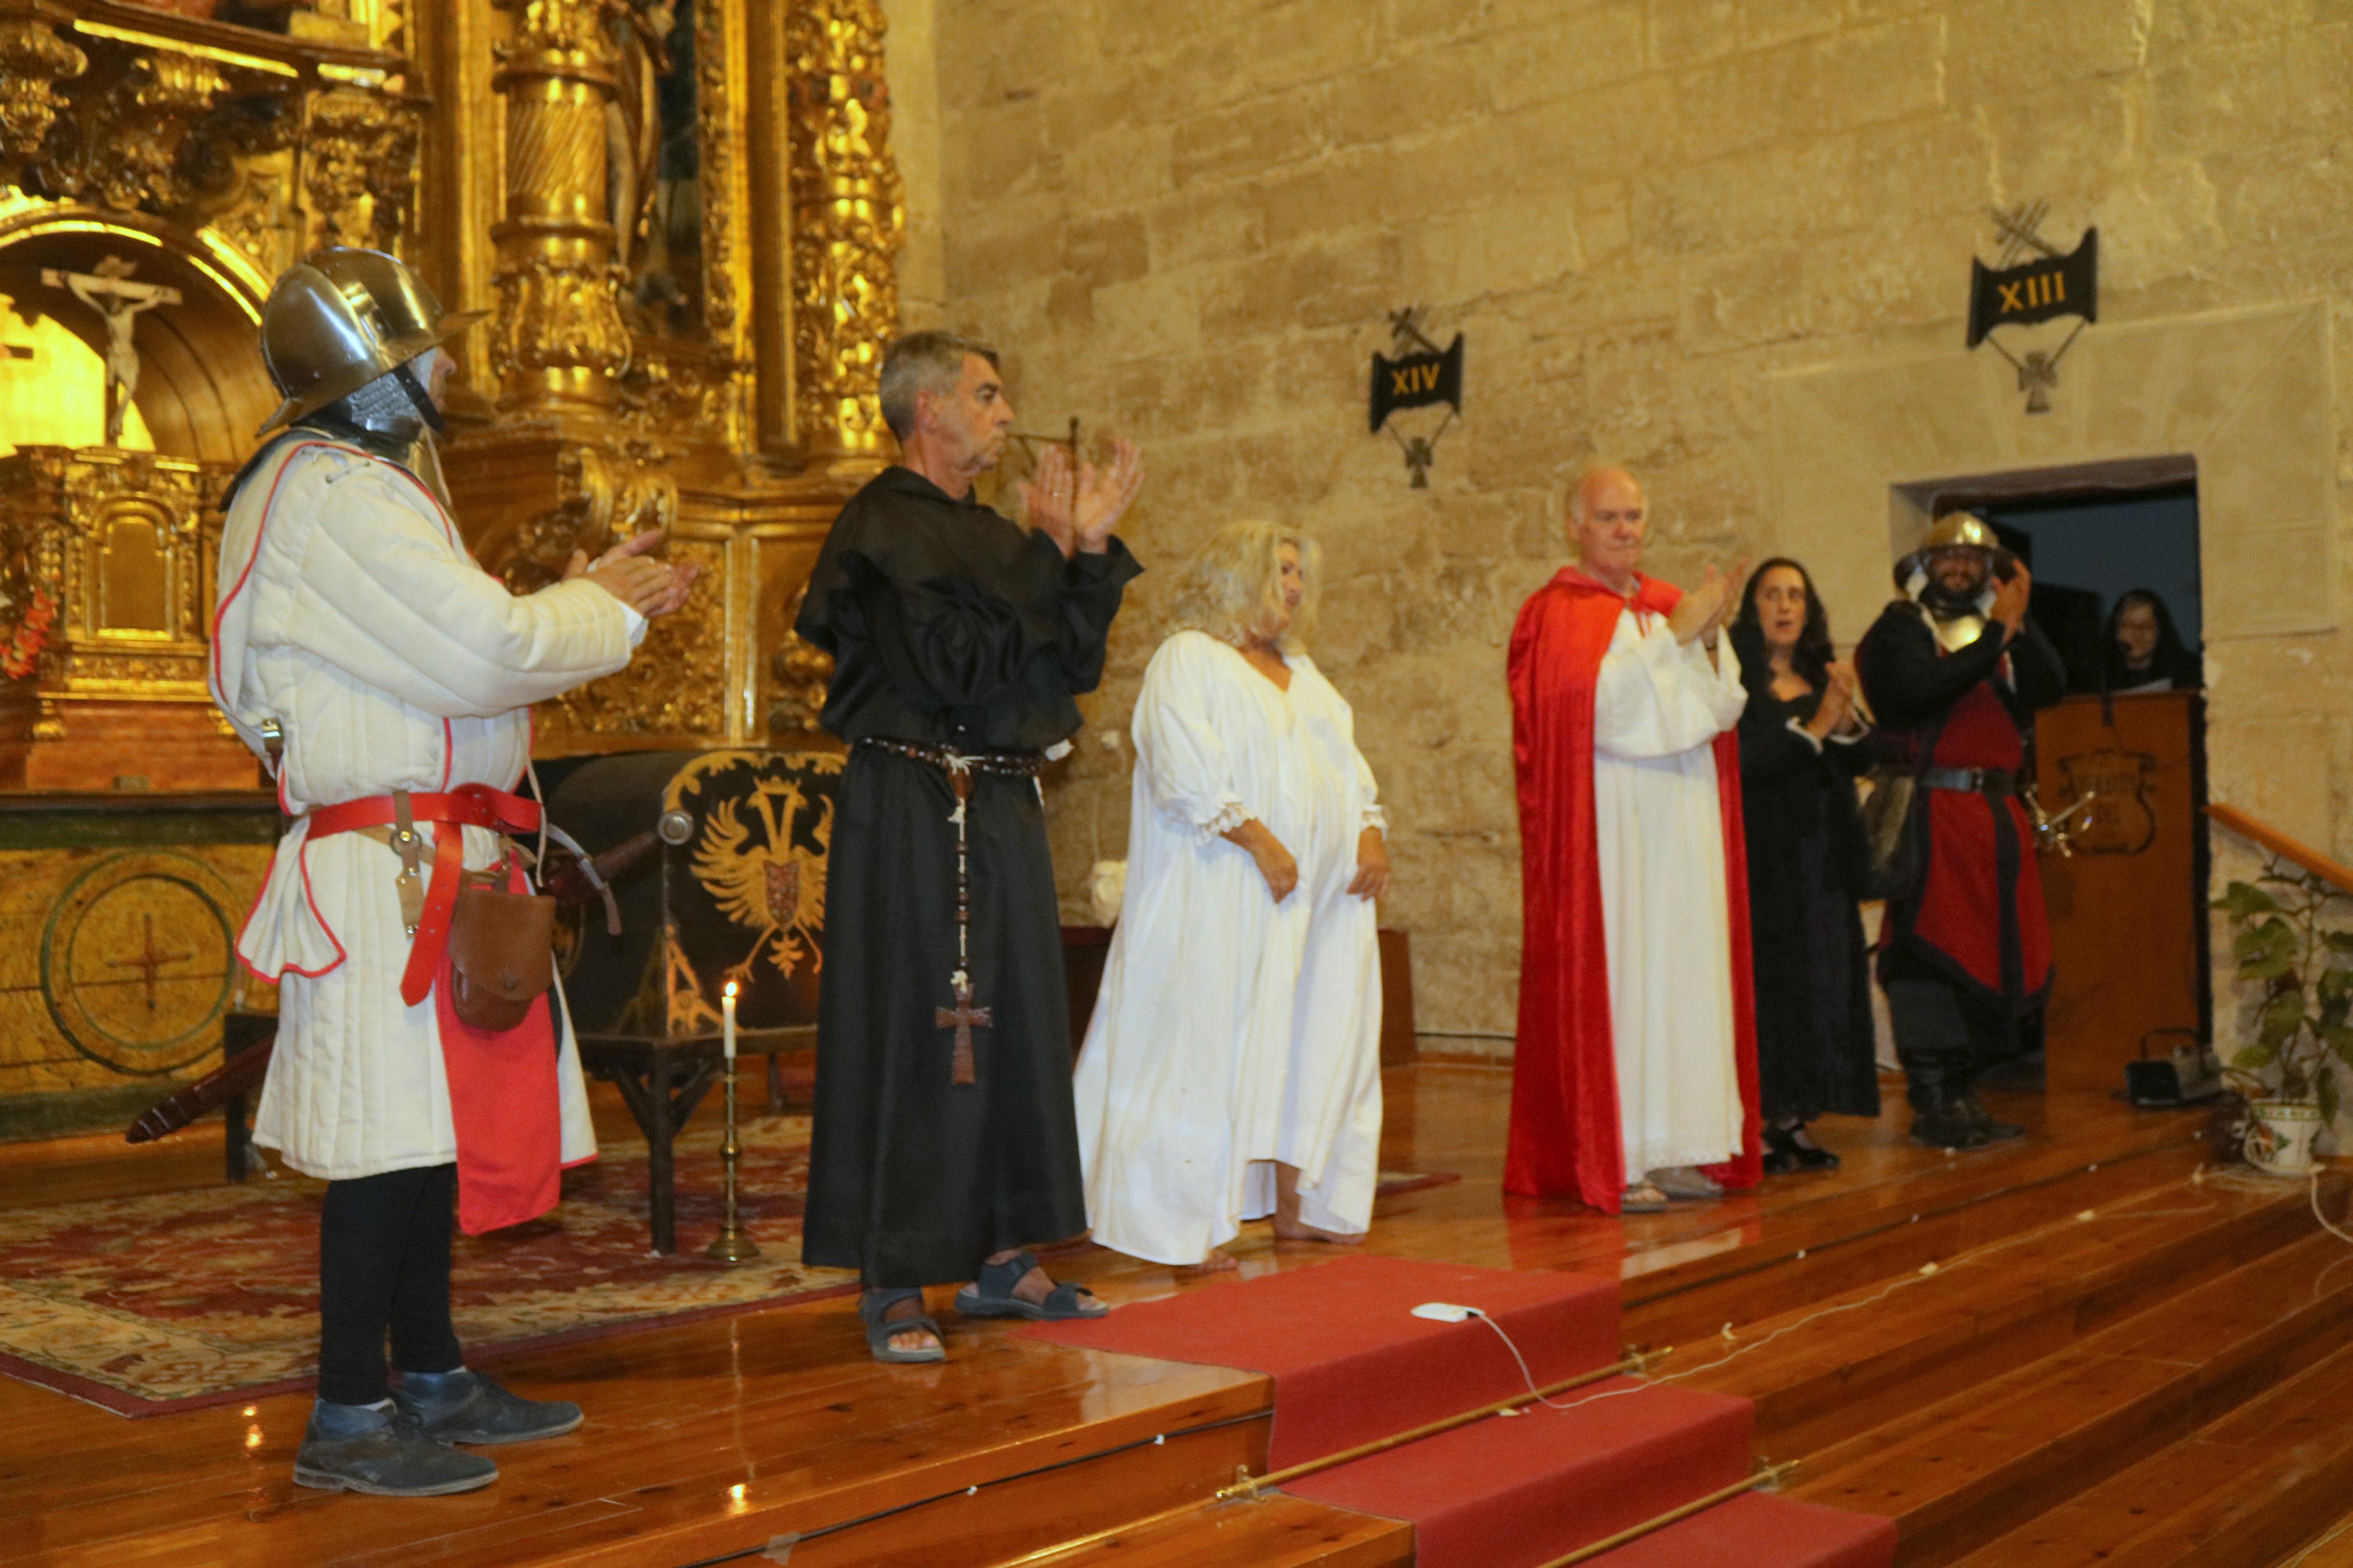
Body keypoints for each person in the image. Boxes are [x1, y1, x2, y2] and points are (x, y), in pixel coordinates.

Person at [210, 248, 695, 1496]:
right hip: (385, 864)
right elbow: (487, 652)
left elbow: (457, 660)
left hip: (425, 852)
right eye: (424, 354)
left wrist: (585, 601)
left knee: (426, 1137)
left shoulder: (360, 485)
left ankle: (426, 1370)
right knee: (383, 1143)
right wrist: (604, 605)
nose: (447, 371)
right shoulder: (330, 493)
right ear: (371, 379)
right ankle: (349, 1416)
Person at [796, 330, 1145, 1361]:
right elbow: (951, 663)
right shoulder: (878, 527)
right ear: (928, 411)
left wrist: (1080, 555)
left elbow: (1062, 664)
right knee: (914, 1027)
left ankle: (1001, 1255)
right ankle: (894, 1276)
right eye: (987, 396)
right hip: (907, 801)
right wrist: (1045, 555)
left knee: (1016, 1026)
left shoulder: (996, 536)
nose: (1004, 414)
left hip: (995, 804)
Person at [1072, 522, 1389, 1271]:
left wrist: (1368, 833)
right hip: (1220, 892)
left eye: (1299, 571)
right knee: (1205, 1043)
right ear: (1234, 574)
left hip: (1316, 906)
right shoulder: (1190, 658)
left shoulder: (1302, 671)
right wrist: (1256, 838)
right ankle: (1174, 1223)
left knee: (1311, 1040)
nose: (1293, 585)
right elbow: (1182, 767)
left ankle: (1298, 1204)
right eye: (1280, 568)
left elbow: (1347, 768)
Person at [1506, 465, 1763, 1215]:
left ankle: (1680, 1147)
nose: (1625, 530)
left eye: (1635, 516)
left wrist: (1708, 639)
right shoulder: (1553, 614)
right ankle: (1617, 1153)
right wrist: (1674, 639)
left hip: (1681, 818)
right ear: (1574, 525)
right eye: (1609, 517)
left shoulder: (1665, 605)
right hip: (1610, 825)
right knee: (1623, 975)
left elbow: (1721, 706)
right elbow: (1593, 711)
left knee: (1682, 975)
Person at [1855, 512, 2065, 1149]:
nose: (1958, 567)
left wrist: (2016, 625)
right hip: (1933, 818)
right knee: (1929, 952)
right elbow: (1921, 691)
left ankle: (1963, 1091)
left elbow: (2050, 689)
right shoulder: (1898, 631)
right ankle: (1932, 1096)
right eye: (1945, 556)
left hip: (1993, 822)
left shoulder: (1995, 635)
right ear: (1923, 567)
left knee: (1997, 956)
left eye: (1971, 560)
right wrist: (1995, 634)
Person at [1730, 560, 1880, 1174]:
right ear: (1752, 608)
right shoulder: (1735, 681)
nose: (1784, 606)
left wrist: (1844, 723)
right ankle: (1762, 1122)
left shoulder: (1820, 676)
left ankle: (1796, 1119)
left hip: (1823, 857)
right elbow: (1748, 764)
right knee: (1775, 986)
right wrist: (1816, 728)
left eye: (1795, 595)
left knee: (1823, 984)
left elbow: (1866, 755)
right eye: (1771, 595)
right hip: (1767, 858)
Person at [2102, 588, 2201, 694]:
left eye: (2147, 626)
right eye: (2129, 626)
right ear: (2116, 631)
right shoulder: (2100, 676)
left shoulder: (2186, 670)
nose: (2137, 634)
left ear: (2160, 631)